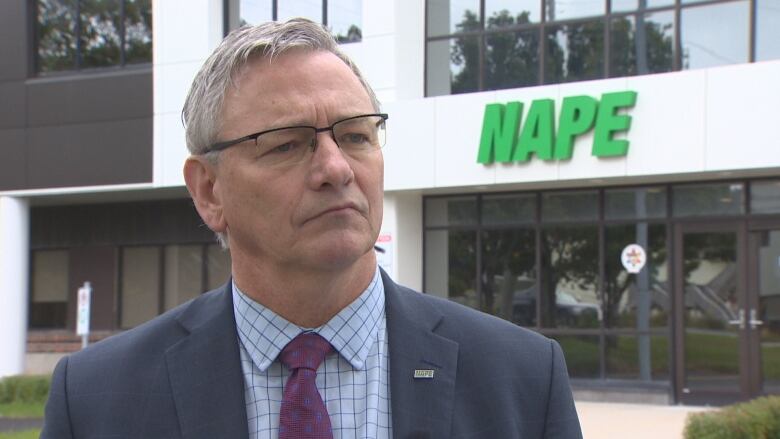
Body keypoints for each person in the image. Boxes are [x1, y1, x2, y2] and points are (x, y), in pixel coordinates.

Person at [41, 18, 582, 439]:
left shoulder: (522, 380)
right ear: (209, 190)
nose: (337, 169)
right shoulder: (96, 400)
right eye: (287, 143)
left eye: (355, 136)